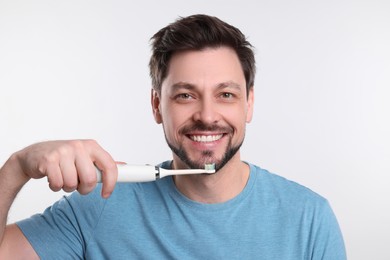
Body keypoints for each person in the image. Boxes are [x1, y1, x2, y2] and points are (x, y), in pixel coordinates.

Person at [0, 14, 346, 259]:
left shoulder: (309, 219)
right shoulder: (98, 207)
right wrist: (17, 168)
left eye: (226, 94)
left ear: (249, 104)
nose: (207, 116)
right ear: (156, 105)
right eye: (185, 95)